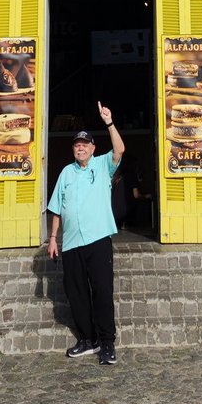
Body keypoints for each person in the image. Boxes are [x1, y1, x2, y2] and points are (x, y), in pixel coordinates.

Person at [47, 103, 125, 365]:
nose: (81, 147)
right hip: (70, 244)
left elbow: (119, 150)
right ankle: (87, 340)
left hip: (98, 240)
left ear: (93, 148)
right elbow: (56, 208)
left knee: (102, 291)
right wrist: (53, 239)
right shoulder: (66, 173)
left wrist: (109, 123)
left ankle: (107, 343)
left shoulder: (103, 165)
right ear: (74, 149)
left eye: (85, 144)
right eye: (77, 145)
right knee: (77, 293)